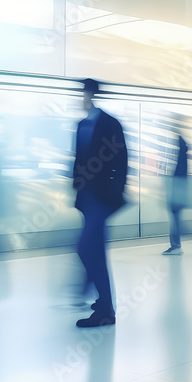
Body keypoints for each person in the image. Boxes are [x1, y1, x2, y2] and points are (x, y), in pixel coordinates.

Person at [72, 79, 128, 328]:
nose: (82, 97)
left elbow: (123, 160)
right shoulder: (82, 125)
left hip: (102, 198)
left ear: (92, 94)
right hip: (87, 198)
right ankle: (102, 301)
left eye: (84, 93)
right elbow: (79, 160)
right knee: (94, 249)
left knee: (87, 248)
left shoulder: (109, 123)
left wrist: (114, 192)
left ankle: (106, 308)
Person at [163, 117, 189, 255]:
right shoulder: (181, 143)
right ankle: (176, 245)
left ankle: (176, 246)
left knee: (175, 216)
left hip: (178, 186)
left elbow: (180, 168)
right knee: (175, 216)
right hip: (178, 185)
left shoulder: (180, 144)